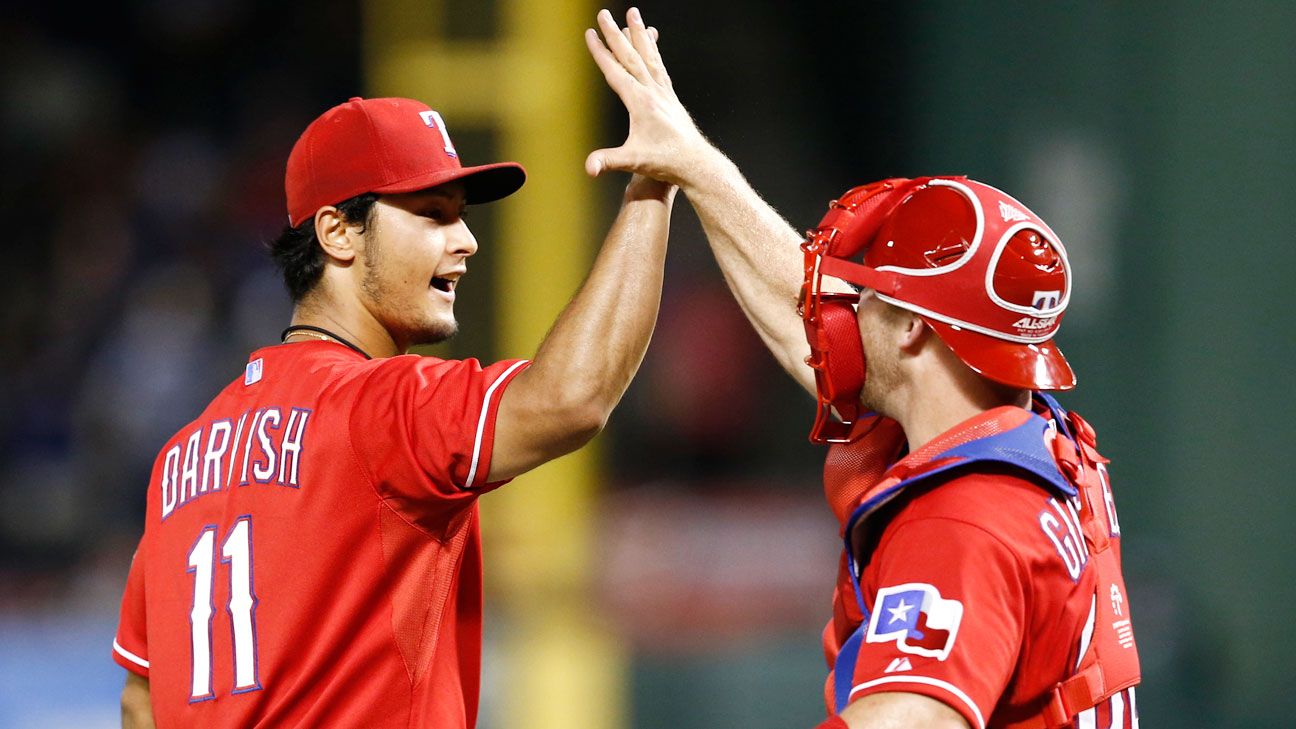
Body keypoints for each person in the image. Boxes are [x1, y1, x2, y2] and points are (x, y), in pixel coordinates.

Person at [584, 8, 1140, 729]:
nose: (841, 306)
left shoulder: (966, 518)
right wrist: (697, 164)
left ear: (913, 328)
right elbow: (812, 334)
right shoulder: (1027, 434)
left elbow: (912, 717)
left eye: (869, 293)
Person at [111, 88, 676, 727]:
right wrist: (653, 187)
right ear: (337, 232)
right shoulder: (375, 406)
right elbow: (571, 400)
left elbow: (141, 699)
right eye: (432, 213)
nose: (466, 241)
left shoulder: (181, 460)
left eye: (460, 215)